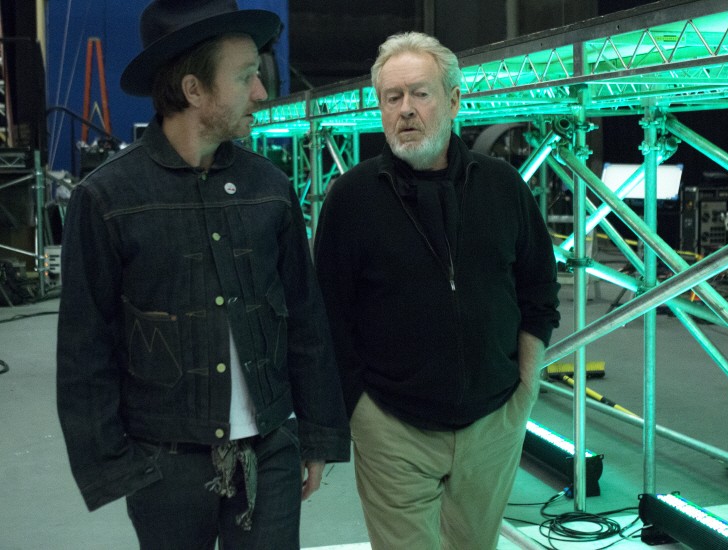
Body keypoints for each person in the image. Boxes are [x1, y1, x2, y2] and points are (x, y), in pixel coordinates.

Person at [55, 1, 349, 548]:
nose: (262, 92)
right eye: (245, 78)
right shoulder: (108, 199)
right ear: (194, 91)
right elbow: (84, 347)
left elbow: (306, 318)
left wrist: (317, 435)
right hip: (165, 467)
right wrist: (114, 467)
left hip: (270, 454)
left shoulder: (269, 186)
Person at [314, 31, 561, 550]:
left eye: (420, 94)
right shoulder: (351, 199)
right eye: (392, 97)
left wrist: (525, 388)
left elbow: (538, 290)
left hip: (494, 421)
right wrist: (360, 412)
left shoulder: (503, 187)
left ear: (452, 101)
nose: (406, 109)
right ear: (380, 107)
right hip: (392, 426)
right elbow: (329, 317)